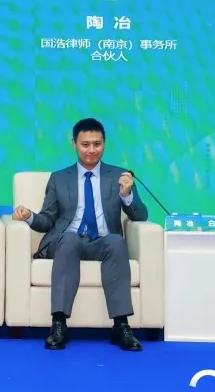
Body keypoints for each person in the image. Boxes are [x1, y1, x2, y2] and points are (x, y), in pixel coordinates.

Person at [12, 118, 147, 351]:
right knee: (70, 239)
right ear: (74, 144)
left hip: (102, 242)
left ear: (104, 143)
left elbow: (141, 215)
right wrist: (29, 216)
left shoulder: (119, 176)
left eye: (97, 144)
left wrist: (127, 195)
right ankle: (59, 323)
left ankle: (121, 325)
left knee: (116, 241)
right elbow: (47, 220)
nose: (91, 150)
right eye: (85, 144)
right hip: (66, 241)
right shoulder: (59, 178)